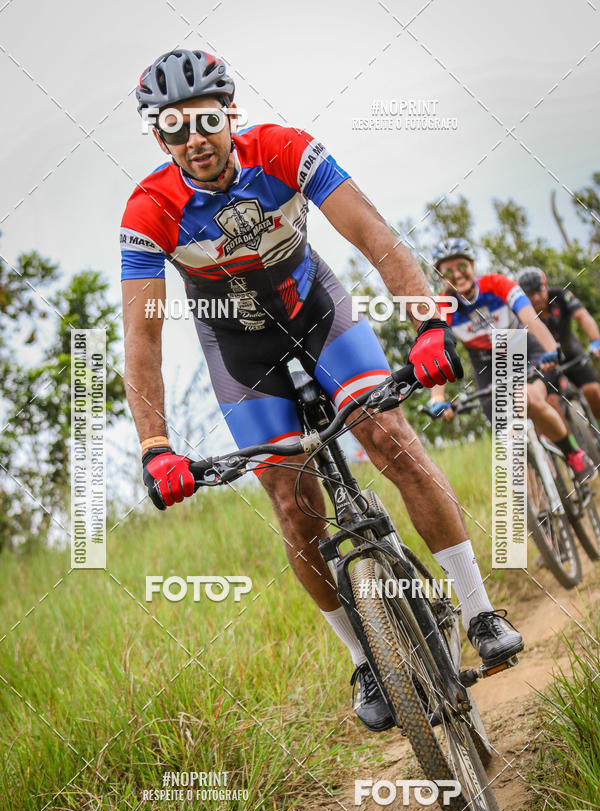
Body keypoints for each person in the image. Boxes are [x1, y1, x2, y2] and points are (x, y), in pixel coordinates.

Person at [121, 50, 524, 733]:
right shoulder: (149, 209)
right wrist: (157, 447)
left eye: (207, 120)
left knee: (390, 436)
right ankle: (367, 656)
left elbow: (372, 233)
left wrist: (428, 324)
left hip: (320, 315)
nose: (196, 139)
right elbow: (142, 337)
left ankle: (480, 609)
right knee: (290, 503)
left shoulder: (286, 151)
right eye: (175, 128)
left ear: (231, 115)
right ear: (159, 138)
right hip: (241, 352)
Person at [428, 239, 595, 483]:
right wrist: (438, 397)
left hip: (524, 348)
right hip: (487, 364)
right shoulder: (443, 307)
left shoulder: (498, 284)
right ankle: (537, 503)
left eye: (461, 266)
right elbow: (439, 354)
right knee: (505, 436)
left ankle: (573, 454)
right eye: (448, 271)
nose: (457, 274)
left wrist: (551, 350)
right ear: (441, 277)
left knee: (526, 399)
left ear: (473, 265)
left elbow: (532, 321)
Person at [517, 266, 600, 419]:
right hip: (546, 364)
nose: (535, 298)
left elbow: (583, 316)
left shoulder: (561, 295)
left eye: (538, 290)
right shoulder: (521, 313)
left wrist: (596, 341)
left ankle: (594, 432)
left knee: (593, 391)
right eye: (529, 294)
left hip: (572, 354)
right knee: (551, 402)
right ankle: (574, 443)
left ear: (546, 286)